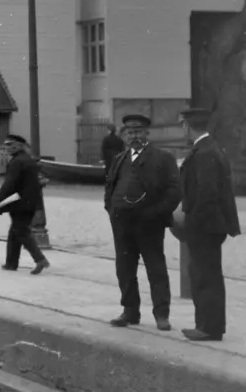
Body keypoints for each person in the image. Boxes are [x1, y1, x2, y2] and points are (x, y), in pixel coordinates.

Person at [103, 114, 181, 331]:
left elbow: (175, 191)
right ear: (124, 136)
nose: (133, 136)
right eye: (129, 133)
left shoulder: (163, 158)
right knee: (125, 269)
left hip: (149, 224)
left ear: (147, 133)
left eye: (138, 132)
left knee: (155, 268)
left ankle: (161, 315)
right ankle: (130, 312)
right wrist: (111, 209)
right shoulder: (120, 159)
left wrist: (155, 213)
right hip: (122, 224)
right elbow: (109, 186)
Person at [174, 107, 241, 342]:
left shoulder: (203, 153)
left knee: (205, 277)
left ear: (189, 126)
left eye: (183, 124)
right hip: (211, 226)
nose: (182, 129)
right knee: (205, 275)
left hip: (204, 227)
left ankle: (209, 328)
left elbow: (206, 194)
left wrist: (190, 223)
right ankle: (206, 325)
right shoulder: (209, 148)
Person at [0, 134, 49, 274]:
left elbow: (9, 184)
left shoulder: (17, 162)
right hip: (29, 203)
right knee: (14, 233)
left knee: (21, 231)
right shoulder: (27, 160)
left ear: (19, 146)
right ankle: (11, 263)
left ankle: (40, 259)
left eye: (10, 144)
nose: (7, 148)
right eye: (5, 145)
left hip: (20, 204)